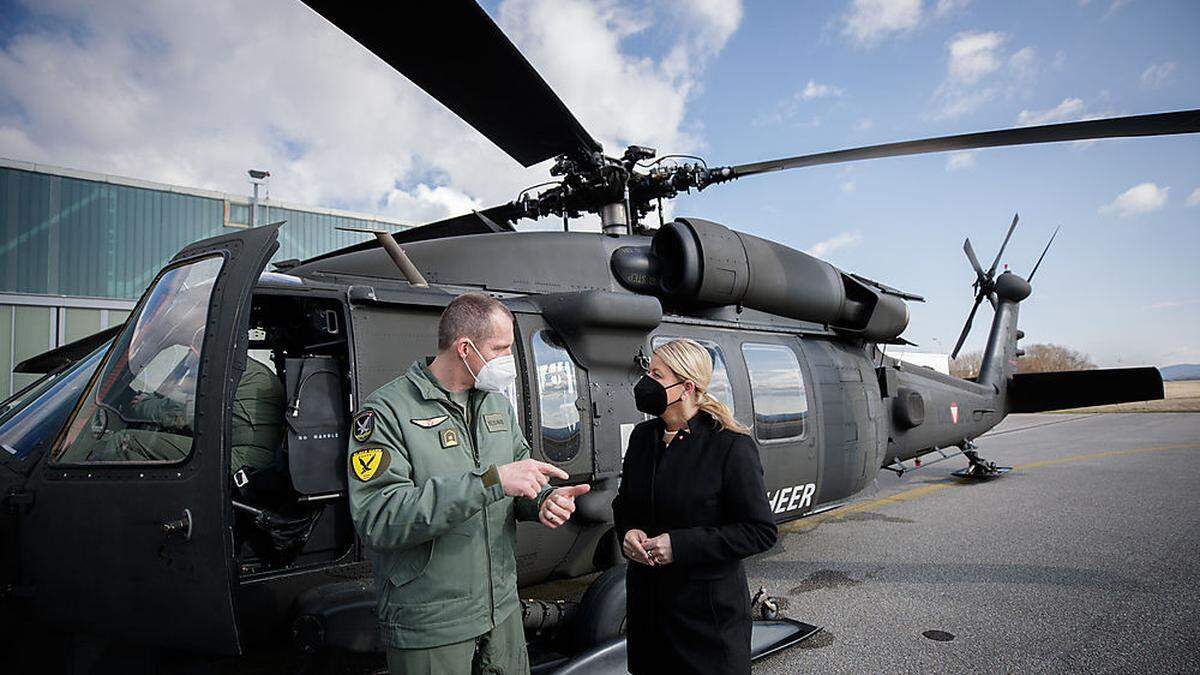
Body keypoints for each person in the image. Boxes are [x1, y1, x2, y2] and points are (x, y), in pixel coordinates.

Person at [348, 292, 590, 675]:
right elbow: (379, 517)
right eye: (501, 348)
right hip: (432, 621)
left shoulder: (495, 405)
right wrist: (491, 482)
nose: (510, 360)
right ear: (464, 348)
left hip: (501, 611)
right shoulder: (387, 412)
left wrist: (542, 500)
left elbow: (517, 479)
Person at [611, 338, 777, 675]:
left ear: (686, 387)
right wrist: (628, 532)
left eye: (657, 375)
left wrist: (679, 545)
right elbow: (623, 504)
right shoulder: (643, 438)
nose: (646, 383)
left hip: (707, 628)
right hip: (650, 623)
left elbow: (759, 532)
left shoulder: (731, 447)